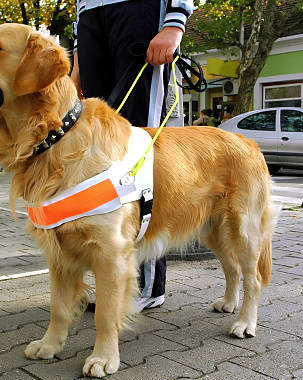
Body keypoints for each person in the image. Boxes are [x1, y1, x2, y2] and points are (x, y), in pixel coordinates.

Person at [71, 0, 194, 312]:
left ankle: (147, 284)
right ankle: (112, 277)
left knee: (139, 147)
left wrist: (175, 21)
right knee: (101, 152)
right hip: (90, 15)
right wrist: (78, 56)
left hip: (142, 10)